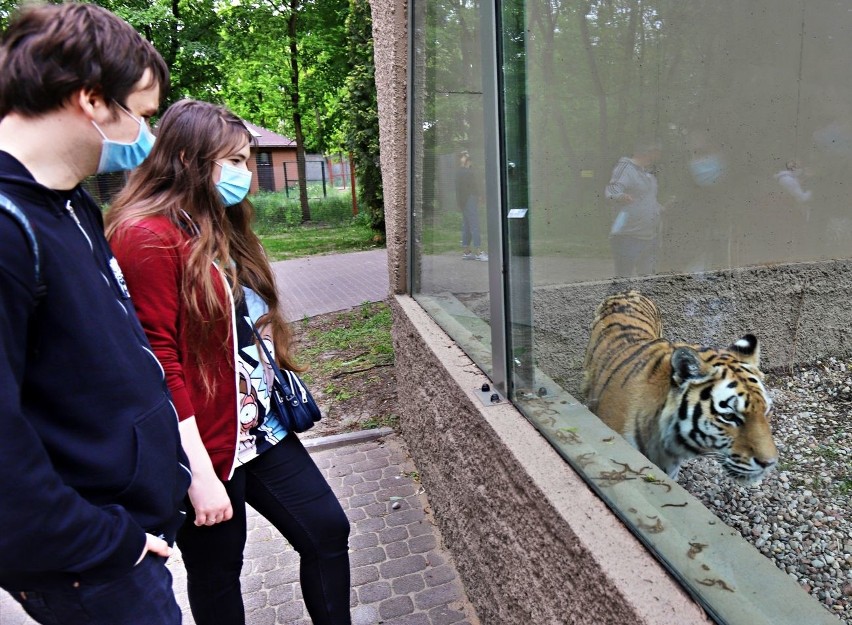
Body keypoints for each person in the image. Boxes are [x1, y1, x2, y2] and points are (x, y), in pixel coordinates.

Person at [106, 99, 352, 625]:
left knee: (327, 529)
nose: (246, 174)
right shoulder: (145, 235)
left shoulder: (208, 223)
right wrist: (197, 475)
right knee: (219, 574)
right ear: (191, 159)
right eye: (235, 161)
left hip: (256, 427)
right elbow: (159, 362)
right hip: (205, 443)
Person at [0, 3, 191, 624]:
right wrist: (109, 544)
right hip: (92, 567)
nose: (145, 135)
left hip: (125, 541)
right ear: (90, 99)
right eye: (139, 113)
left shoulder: (71, 204)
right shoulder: (7, 230)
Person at [605, 141, 664, 277]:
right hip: (627, 236)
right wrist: (619, 196)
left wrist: (661, 209)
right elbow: (612, 190)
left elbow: (648, 201)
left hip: (649, 236)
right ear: (645, 152)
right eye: (654, 153)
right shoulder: (625, 167)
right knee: (623, 280)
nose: (656, 157)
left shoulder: (648, 175)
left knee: (647, 280)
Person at [455, 150, 487, 261]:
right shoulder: (467, 172)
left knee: (467, 225)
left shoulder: (461, 172)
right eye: (463, 156)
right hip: (469, 199)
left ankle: (467, 252)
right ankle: (478, 252)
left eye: (465, 156)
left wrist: (459, 203)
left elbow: (459, 190)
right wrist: (479, 196)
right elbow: (474, 186)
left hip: (464, 201)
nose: (465, 158)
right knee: (474, 224)